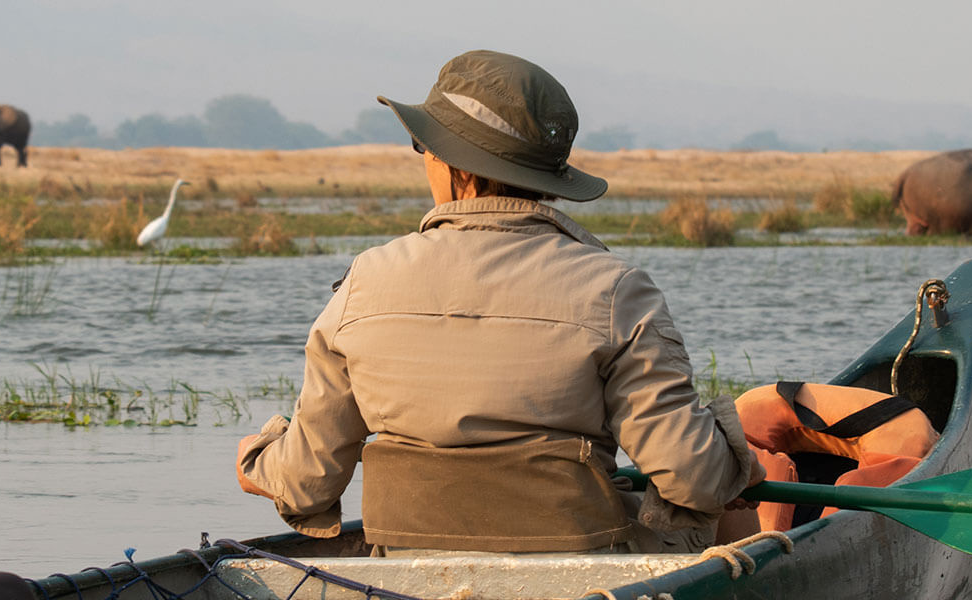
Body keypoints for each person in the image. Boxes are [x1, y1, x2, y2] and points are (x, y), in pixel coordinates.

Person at [235, 50, 765, 555]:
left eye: (424, 149)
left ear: (455, 167)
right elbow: (694, 479)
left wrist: (257, 458)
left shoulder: (363, 282)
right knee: (735, 515)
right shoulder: (617, 289)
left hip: (405, 561)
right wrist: (741, 463)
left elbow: (306, 484)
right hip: (587, 559)